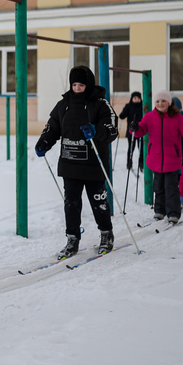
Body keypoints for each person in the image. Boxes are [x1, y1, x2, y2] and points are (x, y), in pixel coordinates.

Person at [34, 66, 119, 259]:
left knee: (98, 202)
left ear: (88, 85)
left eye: (81, 85)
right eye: (74, 84)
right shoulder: (63, 105)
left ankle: (106, 234)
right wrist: (44, 142)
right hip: (70, 163)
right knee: (71, 204)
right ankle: (72, 238)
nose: (78, 88)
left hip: (93, 164)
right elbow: (53, 127)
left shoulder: (101, 104)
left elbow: (112, 129)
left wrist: (96, 131)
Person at [130, 90, 183, 224]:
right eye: (157, 101)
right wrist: (134, 128)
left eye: (163, 101)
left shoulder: (178, 118)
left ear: (169, 103)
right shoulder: (149, 117)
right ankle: (159, 211)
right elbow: (140, 130)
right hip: (155, 159)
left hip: (172, 160)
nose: (160, 103)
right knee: (158, 187)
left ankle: (173, 213)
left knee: (171, 187)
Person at [118, 91, 145, 172]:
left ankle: (141, 164)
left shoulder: (142, 107)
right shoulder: (129, 106)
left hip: (141, 131)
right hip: (131, 132)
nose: (136, 100)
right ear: (132, 99)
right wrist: (123, 113)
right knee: (131, 148)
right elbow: (122, 115)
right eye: (135, 98)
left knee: (141, 149)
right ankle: (129, 164)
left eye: (138, 98)